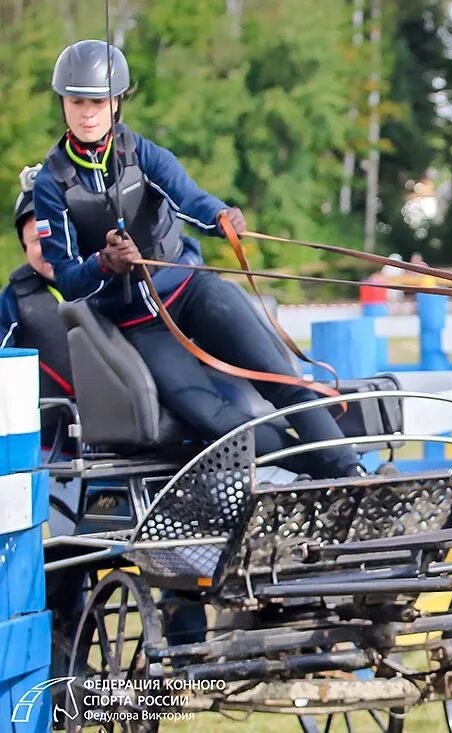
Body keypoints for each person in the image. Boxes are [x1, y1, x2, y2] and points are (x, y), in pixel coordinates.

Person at [33, 40, 363, 479]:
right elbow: (69, 282)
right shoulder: (49, 184)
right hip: (141, 325)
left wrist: (221, 217)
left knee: (280, 378)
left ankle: (353, 473)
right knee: (211, 417)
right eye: (77, 101)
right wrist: (103, 265)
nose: (88, 112)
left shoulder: (142, 153)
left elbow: (190, 199)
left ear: (117, 103)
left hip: (192, 290)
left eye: (98, 101)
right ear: (63, 103)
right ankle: (319, 474)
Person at [1, 164, 76, 454]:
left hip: (124, 445)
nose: (49, 248)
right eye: (36, 241)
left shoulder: (112, 283)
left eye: (55, 235)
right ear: (23, 247)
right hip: (48, 452)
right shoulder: (12, 301)